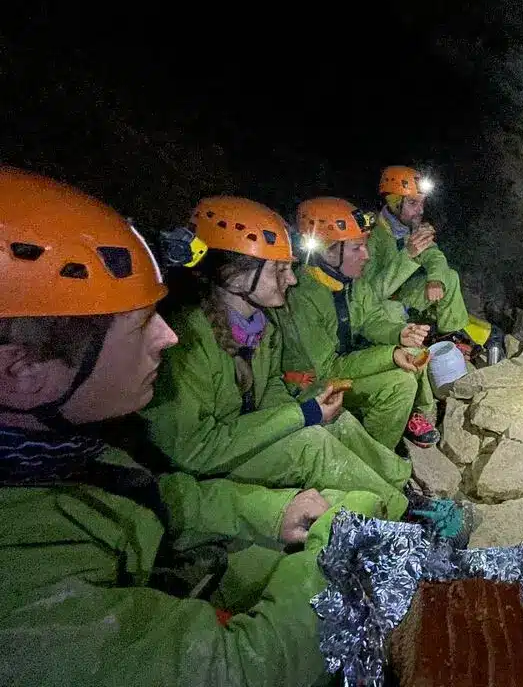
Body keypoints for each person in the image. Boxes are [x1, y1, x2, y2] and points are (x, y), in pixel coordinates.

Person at [0, 166, 380, 686]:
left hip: (173, 552)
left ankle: (393, 509)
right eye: (138, 323)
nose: (166, 336)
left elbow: (150, 497)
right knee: (329, 478)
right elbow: (238, 670)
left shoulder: (54, 450)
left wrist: (270, 511)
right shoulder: (20, 585)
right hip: (179, 564)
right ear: (23, 372)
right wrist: (339, 543)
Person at [142, 195, 411, 519]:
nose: (293, 278)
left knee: (336, 421)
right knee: (311, 446)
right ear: (236, 276)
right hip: (195, 471)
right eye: (279, 270)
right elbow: (192, 450)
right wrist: (300, 417)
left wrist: (306, 412)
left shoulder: (260, 327)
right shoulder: (186, 340)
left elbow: (269, 389)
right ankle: (400, 514)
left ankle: (398, 486)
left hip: (236, 438)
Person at [276, 196, 439, 449]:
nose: (366, 255)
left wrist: (399, 333)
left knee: (413, 355)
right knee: (400, 384)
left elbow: (371, 317)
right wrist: (390, 354)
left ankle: (388, 440)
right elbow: (326, 370)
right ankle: (375, 460)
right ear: (327, 250)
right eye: (356, 248)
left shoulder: (349, 278)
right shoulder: (303, 296)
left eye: (364, 245)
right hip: (311, 385)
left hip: (343, 364)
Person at [362, 166, 478, 342]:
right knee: (390, 311)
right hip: (377, 305)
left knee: (449, 277)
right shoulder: (369, 236)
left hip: (404, 294)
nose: (421, 210)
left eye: (422, 203)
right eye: (413, 203)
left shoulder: (411, 227)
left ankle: (450, 336)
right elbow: (370, 294)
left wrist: (435, 279)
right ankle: (404, 347)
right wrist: (408, 255)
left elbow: (434, 255)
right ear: (394, 202)